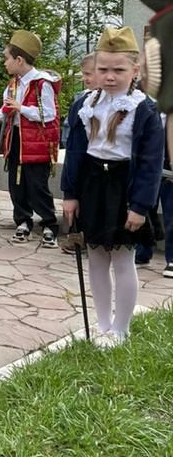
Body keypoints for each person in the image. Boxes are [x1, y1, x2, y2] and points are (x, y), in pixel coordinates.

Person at [62, 26, 164, 343]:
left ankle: (121, 328)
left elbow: (151, 162)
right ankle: (102, 324)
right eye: (103, 69)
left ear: (135, 70)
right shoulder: (85, 105)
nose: (109, 76)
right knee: (95, 255)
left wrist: (140, 205)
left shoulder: (144, 110)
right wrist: (70, 193)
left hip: (124, 187)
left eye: (118, 70)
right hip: (92, 184)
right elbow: (76, 150)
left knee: (122, 258)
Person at [0, 30, 61, 246]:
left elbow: (49, 114)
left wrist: (21, 108)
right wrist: (3, 112)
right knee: (17, 182)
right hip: (16, 139)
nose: (5, 63)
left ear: (19, 59)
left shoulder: (42, 83)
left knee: (37, 184)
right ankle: (22, 220)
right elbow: (5, 108)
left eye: (7, 58)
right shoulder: (14, 83)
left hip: (36, 143)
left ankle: (49, 223)